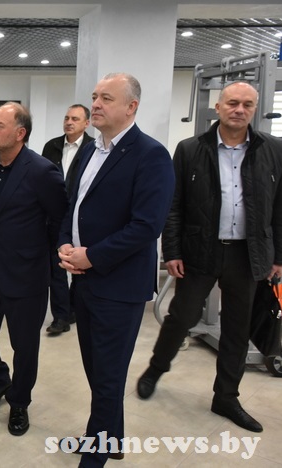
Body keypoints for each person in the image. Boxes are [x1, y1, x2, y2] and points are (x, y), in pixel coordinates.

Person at [136, 81, 282, 433]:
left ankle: (226, 397)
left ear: (255, 109)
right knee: (181, 317)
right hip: (200, 249)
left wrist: (278, 256)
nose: (239, 110)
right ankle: (156, 368)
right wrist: (171, 250)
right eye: (232, 103)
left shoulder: (273, 150)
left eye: (247, 104)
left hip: (248, 253)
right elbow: (174, 205)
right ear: (218, 107)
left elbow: (280, 206)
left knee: (237, 328)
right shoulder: (190, 149)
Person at [57, 73, 174, 466]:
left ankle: (95, 456)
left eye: (106, 98)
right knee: (97, 371)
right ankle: (112, 440)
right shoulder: (91, 151)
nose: (96, 104)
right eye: (95, 96)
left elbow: (146, 226)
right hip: (85, 281)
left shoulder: (150, 155)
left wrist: (92, 256)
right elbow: (73, 206)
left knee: (107, 378)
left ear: (131, 106)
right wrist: (64, 243)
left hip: (119, 287)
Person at [0, 102, 68, 436]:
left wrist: (49, 262)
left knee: (24, 345)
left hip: (26, 272)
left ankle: (19, 401)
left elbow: (59, 220)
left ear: (20, 133)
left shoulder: (42, 171)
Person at [42, 104, 94, 335]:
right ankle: (61, 317)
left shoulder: (93, 148)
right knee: (57, 267)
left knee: (81, 267)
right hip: (55, 214)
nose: (69, 122)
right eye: (66, 118)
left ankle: (74, 309)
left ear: (86, 123)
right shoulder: (52, 146)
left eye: (75, 119)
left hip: (81, 215)